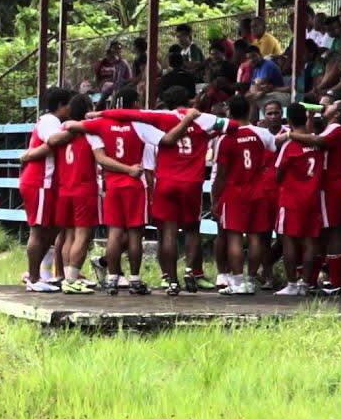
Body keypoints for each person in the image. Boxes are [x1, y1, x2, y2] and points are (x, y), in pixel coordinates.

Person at [96, 86, 236, 295]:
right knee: (192, 230)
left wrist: (100, 113)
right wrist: (209, 131)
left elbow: (129, 113)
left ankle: (171, 281)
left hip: (166, 181)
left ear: (167, 102)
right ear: (188, 100)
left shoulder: (162, 116)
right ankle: (191, 271)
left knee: (168, 232)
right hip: (192, 183)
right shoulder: (201, 119)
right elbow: (232, 125)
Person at [68, 90, 153, 296]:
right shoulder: (140, 125)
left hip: (112, 185)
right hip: (135, 184)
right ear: (133, 104)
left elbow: (71, 126)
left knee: (114, 233)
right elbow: (163, 138)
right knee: (135, 234)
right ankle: (134, 279)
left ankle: (112, 278)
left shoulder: (99, 126)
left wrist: (99, 116)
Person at [287, 98, 341, 293]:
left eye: (331, 105)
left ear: (337, 112)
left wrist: (290, 135)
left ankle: (336, 282)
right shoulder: (336, 129)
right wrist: (309, 121)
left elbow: (317, 141)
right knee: (324, 233)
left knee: (332, 232)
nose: (325, 107)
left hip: (331, 186)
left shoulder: (336, 129)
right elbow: (315, 137)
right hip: (332, 185)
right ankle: (313, 280)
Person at [211, 95, 277, 295]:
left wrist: (215, 198)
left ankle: (238, 280)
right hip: (258, 190)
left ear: (229, 112)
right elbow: (273, 151)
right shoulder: (263, 134)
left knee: (235, 237)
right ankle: (250, 279)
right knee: (256, 237)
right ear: (249, 111)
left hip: (235, 192)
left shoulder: (226, 139)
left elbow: (221, 174)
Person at [41, 95, 102, 294]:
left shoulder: (62, 131)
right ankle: (72, 279)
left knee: (68, 235)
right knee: (82, 236)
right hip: (84, 189)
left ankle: (68, 278)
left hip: (64, 189)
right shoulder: (89, 132)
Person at [18, 88, 74, 293]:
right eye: (70, 104)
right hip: (40, 180)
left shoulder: (55, 122)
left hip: (47, 182)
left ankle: (38, 274)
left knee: (52, 228)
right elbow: (53, 142)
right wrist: (77, 128)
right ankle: (33, 277)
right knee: (39, 230)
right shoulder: (51, 121)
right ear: (61, 105)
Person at [273, 103, 325, 296]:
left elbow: (278, 173)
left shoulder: (290, 144)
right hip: (313, 198)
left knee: (289, 241)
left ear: (289, 121)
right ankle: (305, 283)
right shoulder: (316, 142)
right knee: (310, 241)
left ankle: (292, 284)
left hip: (291, 199)